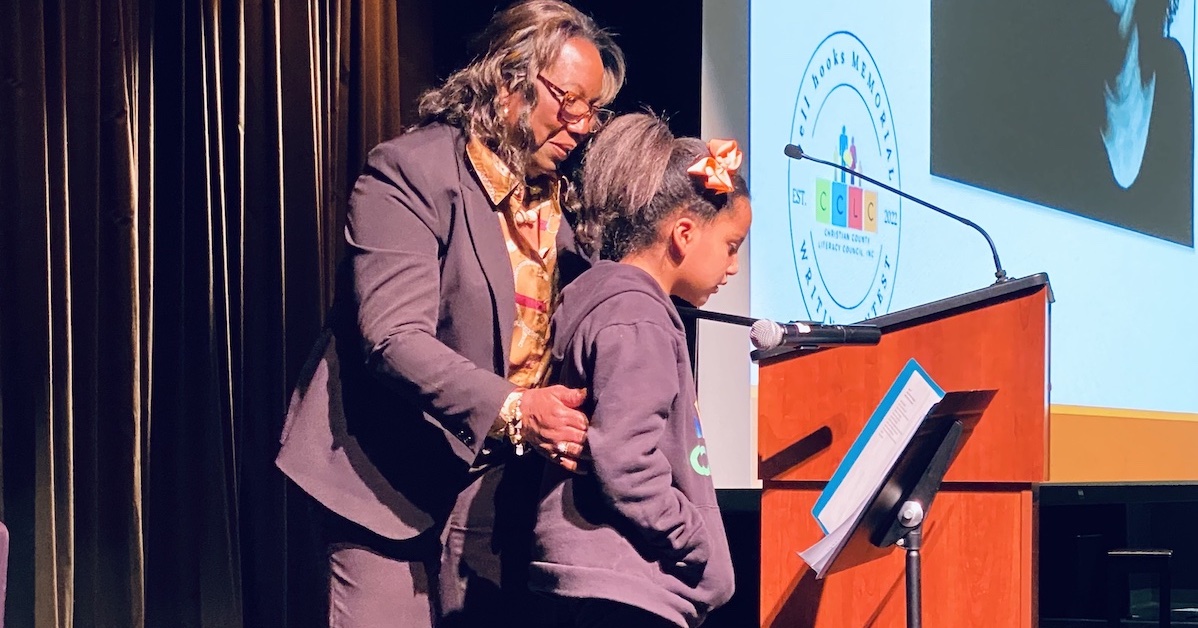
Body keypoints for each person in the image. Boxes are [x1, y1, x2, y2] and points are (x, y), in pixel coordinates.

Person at [274, 1, 625, 626]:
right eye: (569, 101)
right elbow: (392, 338)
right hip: (379, 479)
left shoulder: (556, 206)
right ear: (509, 78)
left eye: (592, 111)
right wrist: (517, 409)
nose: (580, 125)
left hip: (488, 496)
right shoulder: (411, 172)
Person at [527, 113, 745, 627]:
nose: (733, 267)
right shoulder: (637, 317)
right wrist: (696, 541)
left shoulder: (621, 306)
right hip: (620, 589)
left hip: (610, 584)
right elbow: (626, 462)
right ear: (684, 234)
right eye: (731, 247)